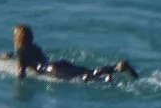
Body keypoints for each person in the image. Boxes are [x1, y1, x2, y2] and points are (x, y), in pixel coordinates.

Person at [8, 24, 137, 84]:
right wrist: (12, 56)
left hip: (51, 71)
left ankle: (116, 69)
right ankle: (113, 70)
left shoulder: (20, 50)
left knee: (84, 77)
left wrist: (17, 82)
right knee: (87, 72)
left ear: (18, 38)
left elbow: (21, 72)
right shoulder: (35, 47)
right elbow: (32, 58)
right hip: (57, 64)